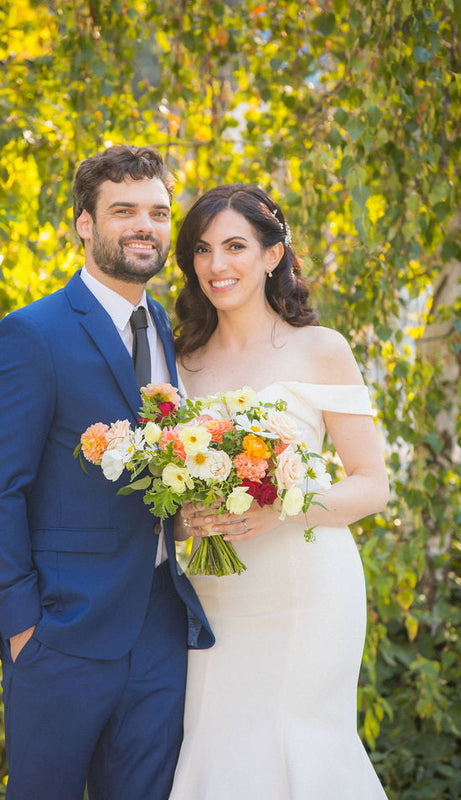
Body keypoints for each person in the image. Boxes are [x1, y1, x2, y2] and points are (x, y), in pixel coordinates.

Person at [0, 144, 214, 800]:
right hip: (62, 631)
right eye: (124, 211)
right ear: (85, 223)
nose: (146, 226)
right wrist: (24, 627)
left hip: (161, 628)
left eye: (159, 213)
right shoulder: (33, 333)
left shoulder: (161, 326)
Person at [168, 184, 390, 799]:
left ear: (272, 255)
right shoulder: (180, 362)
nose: (217, 266)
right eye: (203, 250)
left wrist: (283, 509)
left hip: (306, 590)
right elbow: (172, 508)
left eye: (235, 246)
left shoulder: (321, 349)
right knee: (217, 742)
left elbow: (373, 486)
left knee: (301, 743)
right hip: (215, 590)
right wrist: (188, 516)